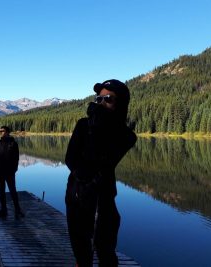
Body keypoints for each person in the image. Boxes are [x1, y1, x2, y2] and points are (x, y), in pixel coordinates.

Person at [65, 79, 137, 267]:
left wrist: (99, 126)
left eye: (108, 99)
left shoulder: (127, 136)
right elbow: (70, 159)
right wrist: (82, 179)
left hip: (104, 198)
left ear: (121, 104)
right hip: (76, 195)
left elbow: (104, 161)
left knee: (105, 248)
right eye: (99, 99)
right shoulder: (82, 125)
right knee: (81, 249)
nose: (102, 102)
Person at [0, 126, 24, 218]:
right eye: (0, 132)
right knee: (1, 191)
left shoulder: (13, 143)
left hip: (10, 171)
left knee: (12, 191)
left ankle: (17, 210)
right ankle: (3, 210)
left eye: (2, 131)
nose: (1, 133)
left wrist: (14, 169)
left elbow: (16, 158)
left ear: (7, 132)